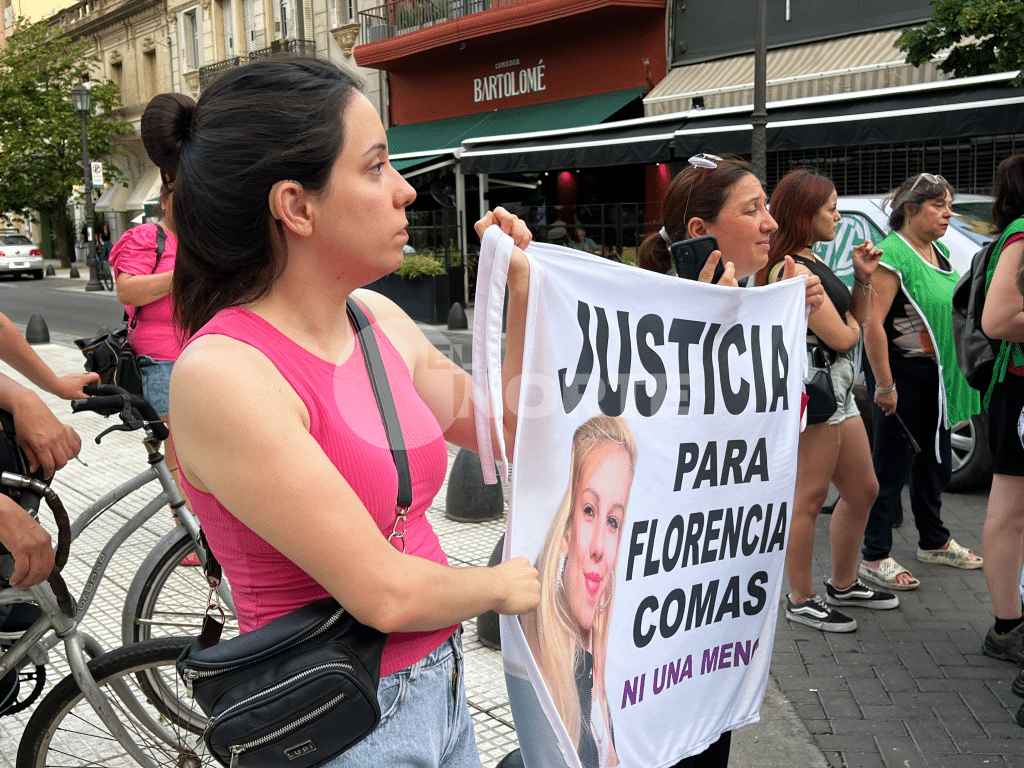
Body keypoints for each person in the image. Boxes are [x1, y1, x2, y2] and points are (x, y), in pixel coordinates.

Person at [159, 58, 540, 768]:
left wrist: (523, 296)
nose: (405, 190)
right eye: (376, 168)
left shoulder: (374, 319)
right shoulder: (225, 375)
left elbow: (502, 427)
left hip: (441, 685)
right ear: (297, 207)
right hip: (342, 716)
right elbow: (384, 594)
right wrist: (506, 585)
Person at [637, 154, 823, 767]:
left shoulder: (758, 305)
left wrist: (782, 319)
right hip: (660, 604)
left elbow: (784, 426)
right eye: (753, 210)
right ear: (700, 234)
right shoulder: (648, 321)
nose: (771, 223)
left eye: (768, 207)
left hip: (720, 603)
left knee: (710, 742)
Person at [753, 169, 893, 632]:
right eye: (830, 208)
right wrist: (852, 329)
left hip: (835, 389)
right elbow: (844, 333)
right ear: (804, 213)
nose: (837, 216)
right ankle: (801, 597)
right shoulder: (791, 268)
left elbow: (852, 321)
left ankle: (844, 581)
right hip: (815, 390)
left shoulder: (810, 261)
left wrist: (863, 279)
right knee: (808, 497)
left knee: (863, 488)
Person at [860, 173, 983, 591]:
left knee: (935, 463)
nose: (948, 213)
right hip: (905, 376)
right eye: (938, 206)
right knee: (891, 466)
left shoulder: (940, 250)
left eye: (948, 205)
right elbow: (871, 325)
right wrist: (885, 385)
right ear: (910, 211)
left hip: (940, 376)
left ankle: (933, 540)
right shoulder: (892, 254)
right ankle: (874, 554)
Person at [521, 415, 637, 768]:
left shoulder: (608, 650)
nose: (600, 546)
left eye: (613, 521)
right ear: (564, 528)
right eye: (589, 511)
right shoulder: (552, 664)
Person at [111, 96, 196, 563]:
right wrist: (179, 274)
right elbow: (128, 290)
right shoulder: (147, 238)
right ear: (164, 198)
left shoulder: (198, 241)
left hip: (198, 350)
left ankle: (198, 517)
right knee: (177, 442)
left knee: (197, 441)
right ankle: (183, 526)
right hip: (160, 354)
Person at [974, 155, 1024, 666]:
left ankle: (1008, 621)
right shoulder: (1023, 233)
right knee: (1009, 510)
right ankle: (1009, 623)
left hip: (1014, 385)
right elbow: (1000, 317)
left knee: (1009, 508)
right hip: (1019, 384)